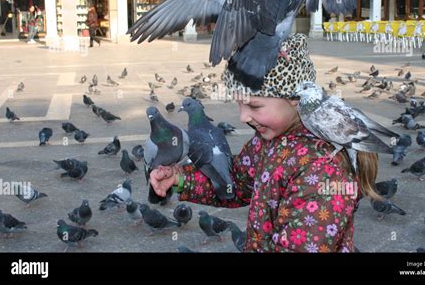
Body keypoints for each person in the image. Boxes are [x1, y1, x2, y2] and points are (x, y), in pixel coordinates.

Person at [150, 33, 381, 252]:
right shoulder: (266, 141)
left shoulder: (323, 170)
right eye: (239, 104)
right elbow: (237, 184)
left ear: (294, 99)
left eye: (254, 106)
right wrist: (181, 178)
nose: (242, 117)